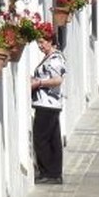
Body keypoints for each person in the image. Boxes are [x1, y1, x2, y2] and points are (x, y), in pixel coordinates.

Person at [30, 32, 66, 184]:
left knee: (41, 138)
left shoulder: (55, 59)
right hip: (48, 103)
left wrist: (39, 83)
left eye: (42, 42)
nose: (40, 46)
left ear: (50, 41)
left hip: (47, 103)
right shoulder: (51, 57)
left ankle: (48, 173)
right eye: (38, 42)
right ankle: (54, 173)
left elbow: (57, 80)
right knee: (52, 138)